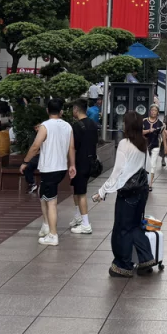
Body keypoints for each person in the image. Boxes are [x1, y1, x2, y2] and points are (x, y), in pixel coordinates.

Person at [95, 111, 154, 277]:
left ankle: (123, 265)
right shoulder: (143, 142)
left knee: (122, 229)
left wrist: (103, 190)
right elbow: (148, 168)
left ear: (127, 126)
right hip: (141, 191)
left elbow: (118, 172)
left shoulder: (124, 144)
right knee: (135, 226)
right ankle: (146, 258)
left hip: (128, 193)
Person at [21, 99, 75, 247]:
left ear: (47, 110)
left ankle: (53, 234)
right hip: (61, 168)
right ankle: (46, 225)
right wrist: (72, 165)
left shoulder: (45, 126)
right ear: (62, 111)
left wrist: (25, 162)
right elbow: (71, 148)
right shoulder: (67, 126)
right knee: (43, 195)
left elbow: (35, 146)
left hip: (49, 168)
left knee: (51, 201)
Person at [69, 100, 99, 234]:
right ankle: (78, 217)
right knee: (76, 190)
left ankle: (86, 224)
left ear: (76, 109)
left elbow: (73, 146)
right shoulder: (93, 124)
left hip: (80, 162)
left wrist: (72, 164)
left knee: (81, 193)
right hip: (90, 161)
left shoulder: (76, 126)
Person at [142, 105, 164, 189]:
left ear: (158, 112)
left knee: (153, 164)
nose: (153, 112)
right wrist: (148, 131)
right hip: (144, 145)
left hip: (155, 145)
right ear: (149, 111)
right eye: (152, 110)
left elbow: (163, 134)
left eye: (155, 110)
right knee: (144, 164)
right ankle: (143, 181)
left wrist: (165, 146)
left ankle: (150, 183)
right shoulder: (144, 121)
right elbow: (139, 132)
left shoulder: (160, 123)